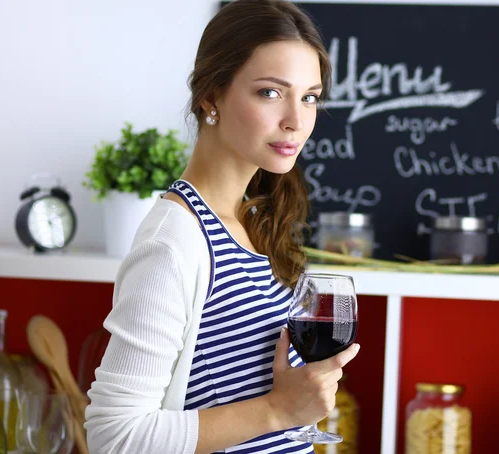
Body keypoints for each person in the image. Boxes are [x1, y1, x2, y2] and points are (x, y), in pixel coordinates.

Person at [84, 0, 361, 453]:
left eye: (309, 96)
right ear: (211, 96)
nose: (296, 119)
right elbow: (114, 436)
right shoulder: (174, 243)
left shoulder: (251, 221)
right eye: (271, 92)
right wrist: (278, 411)